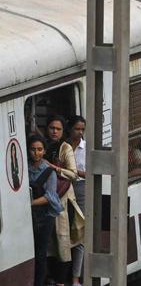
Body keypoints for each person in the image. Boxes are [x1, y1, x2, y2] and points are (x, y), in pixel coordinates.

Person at [46, 116, 84, 286]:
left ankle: (64, 281)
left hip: (63, 200)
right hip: (46, 199)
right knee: (50, 242)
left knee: (63, 239)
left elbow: (74, 174)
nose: (54, 131)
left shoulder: (65, 148)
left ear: (63, 131)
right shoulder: (43, 146)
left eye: (58, 129)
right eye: (52, 128)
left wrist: (54, 167)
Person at [29, 133, 62, 286]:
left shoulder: (49, 171)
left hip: (45, 216)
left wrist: (31, 203)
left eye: (40, 149)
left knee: (41, 253)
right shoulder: (25, 168)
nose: (36, 153)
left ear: (44, 151)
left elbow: (50, 196)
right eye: (33, 149)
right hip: (29, 216)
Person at [65, 116, 85, 285]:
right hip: (64, 189)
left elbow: (91, 170)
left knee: (79, 231)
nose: (80, 132)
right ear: (70, 129)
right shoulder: (63, 147)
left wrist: (73, 171)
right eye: (77, 129)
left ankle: (75, 277)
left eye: (82, 129)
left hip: (80, 189)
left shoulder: (85, 148)